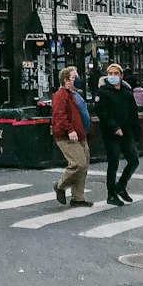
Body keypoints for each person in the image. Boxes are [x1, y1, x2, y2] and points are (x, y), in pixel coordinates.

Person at [98, 62, 141, 206]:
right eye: (110, 74)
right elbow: (102, 113)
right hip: (112, 133)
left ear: (121, 76)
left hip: (127, 132)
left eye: (116, 74)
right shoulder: (103, 92)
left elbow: (133, 112)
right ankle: (111, 194)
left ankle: (121, 185)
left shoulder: (127, 92)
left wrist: (136, 132)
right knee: (113, 163)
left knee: (134, 161)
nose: (113, 76)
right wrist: (114, 127)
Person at [51, 66, 93, 208]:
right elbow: (59, 115)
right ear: (66, 80)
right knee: (78, 164)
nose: (78, 80)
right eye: (74, 78)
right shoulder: (60, 95)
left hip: (81, 135)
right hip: (67, 136)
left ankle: (78, 198)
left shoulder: (76, 94)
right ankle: (60, 185)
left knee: (84, 166)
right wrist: (69, 129)